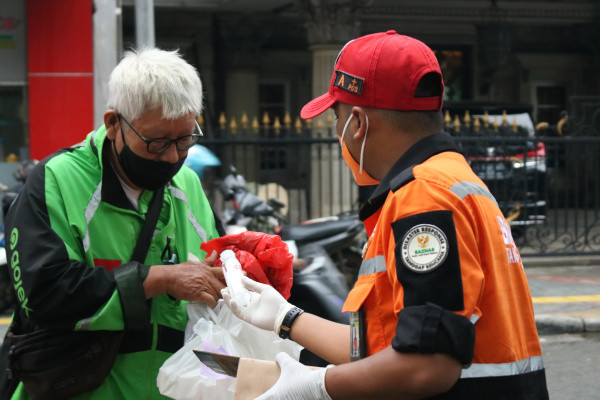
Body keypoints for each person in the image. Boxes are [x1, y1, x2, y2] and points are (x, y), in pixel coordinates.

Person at [222, 31, 549, 399]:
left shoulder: (425, 196)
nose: (336, 130)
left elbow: (427, 364)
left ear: (357, 122)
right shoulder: (451, 179)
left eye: (336, 115)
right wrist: (287, 318)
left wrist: (316, 386)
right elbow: (389, 347)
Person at [4, 48, 225, 399]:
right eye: (156, 143)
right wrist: (161, 278)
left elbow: (217, 283)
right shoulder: (56, 182)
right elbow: (44, 294)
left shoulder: (191, 188)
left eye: (184, 140)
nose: (171, 157)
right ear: (113, 124)